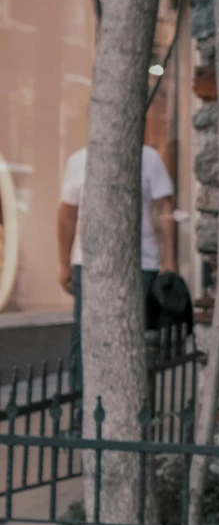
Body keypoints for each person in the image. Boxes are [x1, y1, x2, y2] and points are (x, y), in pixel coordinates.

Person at [58, 139, 176, 365]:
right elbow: (67, 215)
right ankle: (80, 398)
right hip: (89, 264)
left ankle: (134, 399)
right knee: (84, 334)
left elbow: (163, 210)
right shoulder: (78, 160)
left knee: (134, 335)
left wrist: (169, 259)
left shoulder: (149, 158)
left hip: (142, 264)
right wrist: (63, 263)